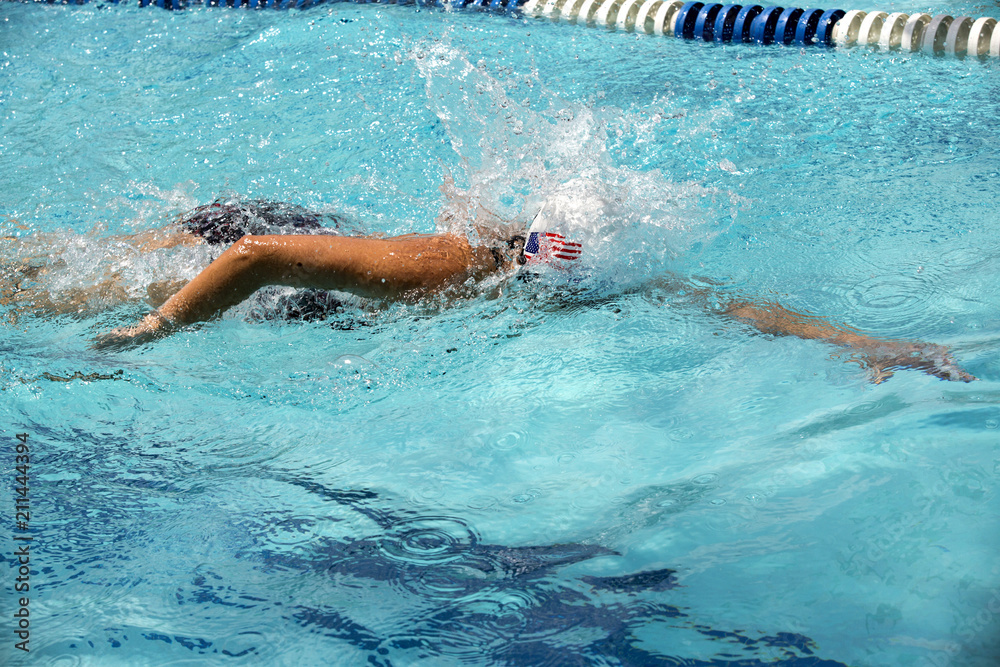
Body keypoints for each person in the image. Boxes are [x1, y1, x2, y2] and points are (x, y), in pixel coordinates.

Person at [3, 196, 975, 383]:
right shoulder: (462, 271)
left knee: (55, 260)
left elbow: (718, 305)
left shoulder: (581, 271)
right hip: (238, 247)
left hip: (296, 243)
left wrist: (856, 342)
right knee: (63, 288)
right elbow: (256, 259)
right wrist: (155, 328)